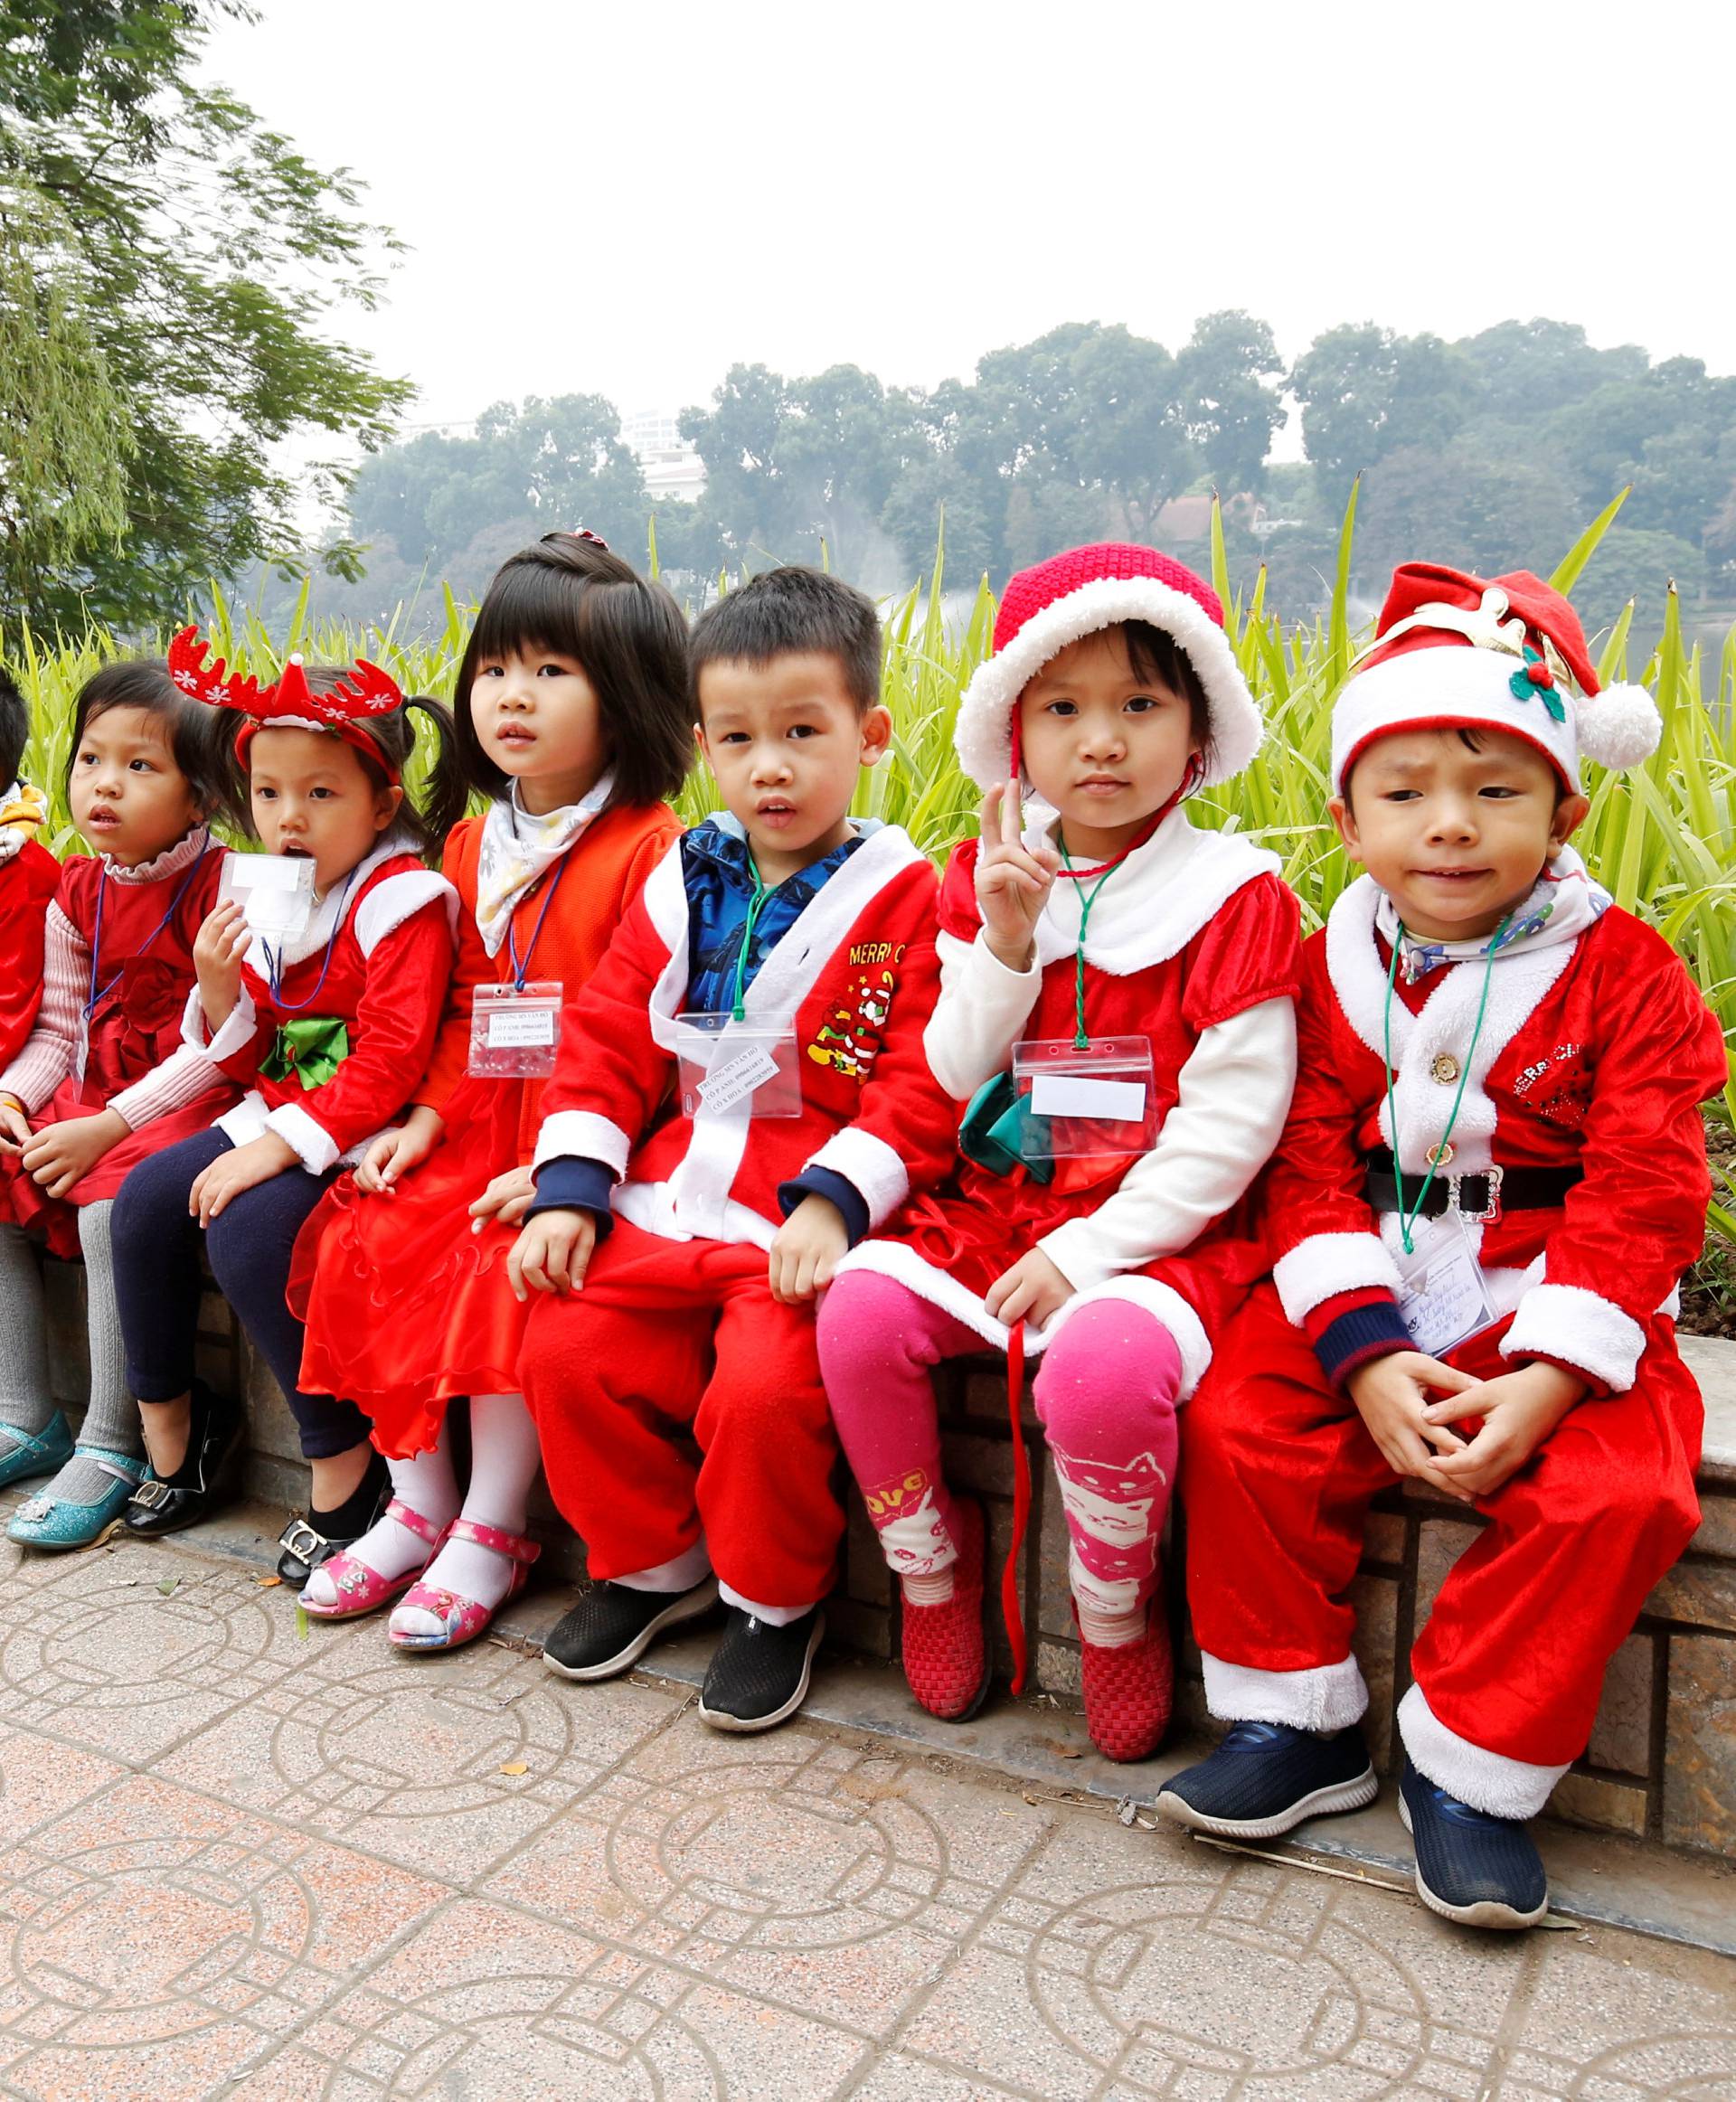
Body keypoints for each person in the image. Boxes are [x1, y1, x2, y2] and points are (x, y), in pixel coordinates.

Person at [1158, 564, 1725, 1930]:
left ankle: (1468, 1765)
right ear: (1348, 818)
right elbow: (1300, 1161)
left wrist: (1547, 1377)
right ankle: (1295, 1719)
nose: (1451, 828)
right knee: (1241, 1420)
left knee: (1618, 1496)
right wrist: (1357, 1354)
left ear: (1567, 806)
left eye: (1497, 790)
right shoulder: (1325, 962)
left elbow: (1647, 1186)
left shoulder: (1627, 971)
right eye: (1404, 793)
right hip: (1371, 1275)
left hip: (1552, 1293)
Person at [817, 543, 1301, 1760]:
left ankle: (1114, 1610)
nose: (1102, 740)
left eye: (1140, 704)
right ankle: (929, 1569)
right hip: (998, 1212)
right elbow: (952, 1070)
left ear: (1198, 730)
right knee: (860, 1317)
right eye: (1064, 707)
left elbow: (1232, 1124)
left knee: (1097, 1370)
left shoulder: (1235, 896)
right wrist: (1007, 938)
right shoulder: (982, 880)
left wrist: (1094, 1251)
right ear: (1012, 736)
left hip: (1156, 1235)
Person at [512, 565, 958, 1732]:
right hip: (667, 1196)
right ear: (703, 740)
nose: (773, 767)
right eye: (742, 738)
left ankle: (773, 1598)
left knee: (763, 1392)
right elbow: (608, 1035)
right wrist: (572, 1188)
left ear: (870, 733)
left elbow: (922, 1080)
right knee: (563, 1339)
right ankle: (654, 1563)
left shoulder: (908, 896)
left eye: (805, 733)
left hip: (798, 1220)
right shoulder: (683, 877)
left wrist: (837, 1203)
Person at [289, 532, 690, 1650]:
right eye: (496, 669)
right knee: (371, 1229)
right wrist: (421, 1119)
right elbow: (463, 1006)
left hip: (581, 1137)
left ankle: (494, 1522)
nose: (513, 697)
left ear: (628, 697)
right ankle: (417, 1507)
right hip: (474, 1113)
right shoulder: (470, 843)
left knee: (492, 1259)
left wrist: (562, 1161)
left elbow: (642, 1038)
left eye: (554, 672)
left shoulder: (651, 849)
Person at [110, 631, 460, 1578]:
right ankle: (178, 1433)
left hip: (364, 1130)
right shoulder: (277, 893)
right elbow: (255, 1044)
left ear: (382, 798)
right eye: (268, 793)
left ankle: (343, 1456)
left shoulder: (406, 899)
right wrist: (219, 986)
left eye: (320, 793)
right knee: (144, 1203)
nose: (287, 818)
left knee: (250, 1231)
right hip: (281, 1110)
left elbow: (390, 1062)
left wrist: (276, 1147)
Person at [0, 659, 239, 1551]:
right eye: (92, 758)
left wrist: (108, 1126)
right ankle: (24, 1413)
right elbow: (58, 1034)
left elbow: (218, 1048)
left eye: (141, 766)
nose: (105, 783)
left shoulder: (223, 887)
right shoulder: (80, 890)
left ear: (202, 795)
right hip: (97, 1088)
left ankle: (113, 1440)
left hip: (194, 1095)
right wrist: (14, 1098)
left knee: (110, 1204)